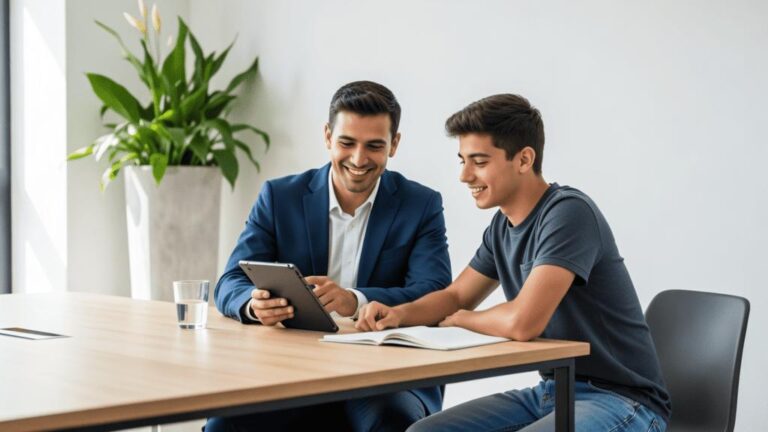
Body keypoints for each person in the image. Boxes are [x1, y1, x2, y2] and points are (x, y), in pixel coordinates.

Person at [357, 94, 672, 431]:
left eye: (479, 161)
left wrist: (463, 320)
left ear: (523, 159)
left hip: (622, 399)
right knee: (423, 431)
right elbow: (456, 296)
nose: (464, 175)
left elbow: (523, 322)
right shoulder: (501, 227)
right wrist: (399, 314)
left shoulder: (568, 213)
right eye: (461, 160)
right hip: (552, 392)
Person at [206, 81, 451, 432]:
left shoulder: (421, 204)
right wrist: (252, 304)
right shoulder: (279, 197)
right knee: (224, 425)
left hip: (386, 375)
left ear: (394, 144)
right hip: (293, 369)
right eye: (347, 143)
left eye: (374, 146)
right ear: (327, 136)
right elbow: (231, 281)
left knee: (388, 422)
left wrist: (354, 300)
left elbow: (435, 292)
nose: (358, 159)